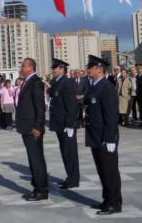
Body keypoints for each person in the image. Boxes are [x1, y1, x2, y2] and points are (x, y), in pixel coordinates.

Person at [84, 55, 122, 215]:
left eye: (90, 67)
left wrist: (110, 138)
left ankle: (114, 203)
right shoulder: (94, 86)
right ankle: (106, 199)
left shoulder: (106, 87)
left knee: (110, 171)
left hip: (104, 137)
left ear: (99, 69)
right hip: (95, 135)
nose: (88, 69)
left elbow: (111, 115)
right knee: (102, 170)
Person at [16, 58, 49, 201]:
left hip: (32, 128)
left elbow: (40, 107)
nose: (21, 68)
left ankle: (41, 191)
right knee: (32, 159)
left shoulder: (35, 82)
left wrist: (37, 126)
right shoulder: (28, 82)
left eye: (23, 66)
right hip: (26, 127)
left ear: (30, 67)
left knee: (36, 160)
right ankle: (37, 187)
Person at [48, 58, 80, 189]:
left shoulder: (67, 83)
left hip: (66, 125)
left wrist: (70, 124)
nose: (53, 69)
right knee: (65, 151)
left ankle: (73, 179)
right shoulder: (57, 82)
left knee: (70, 152)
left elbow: (71, 106)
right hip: (59, 123)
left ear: (62, 69)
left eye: (55, 67)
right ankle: (70, 177)